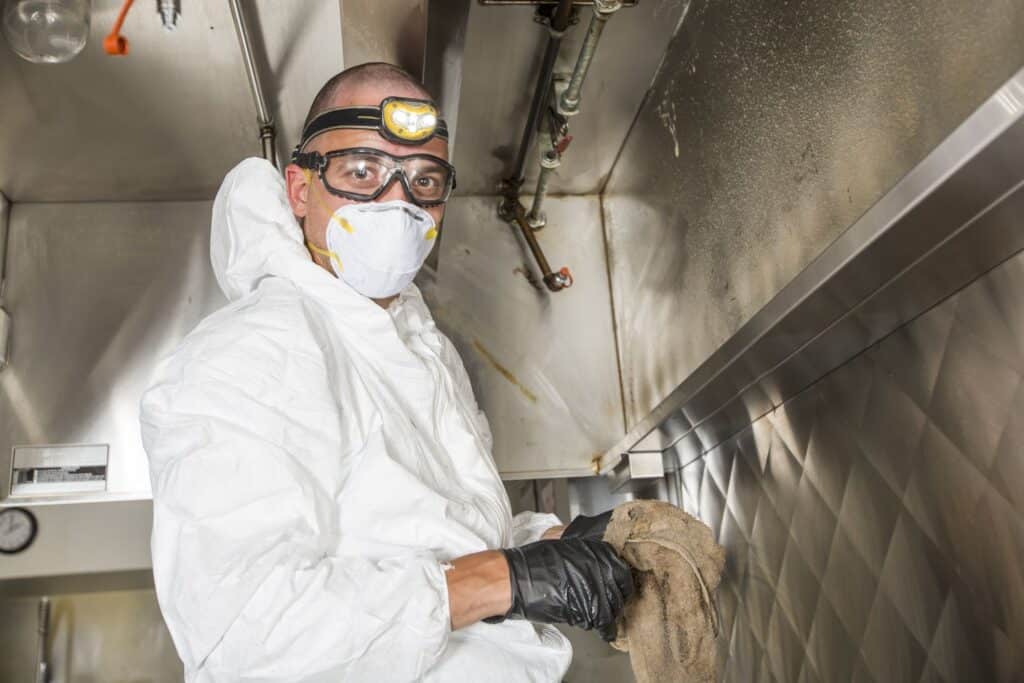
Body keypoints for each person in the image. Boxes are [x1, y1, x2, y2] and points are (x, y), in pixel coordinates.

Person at [140, 62, 632, 683]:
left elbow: (446, 533)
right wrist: (506, 579)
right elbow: (244, 632)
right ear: (299, 189)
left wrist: (560, 540)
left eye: (425, 180)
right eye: (363, 172)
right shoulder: (247, 353)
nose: (398, 203)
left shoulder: (421, 347)